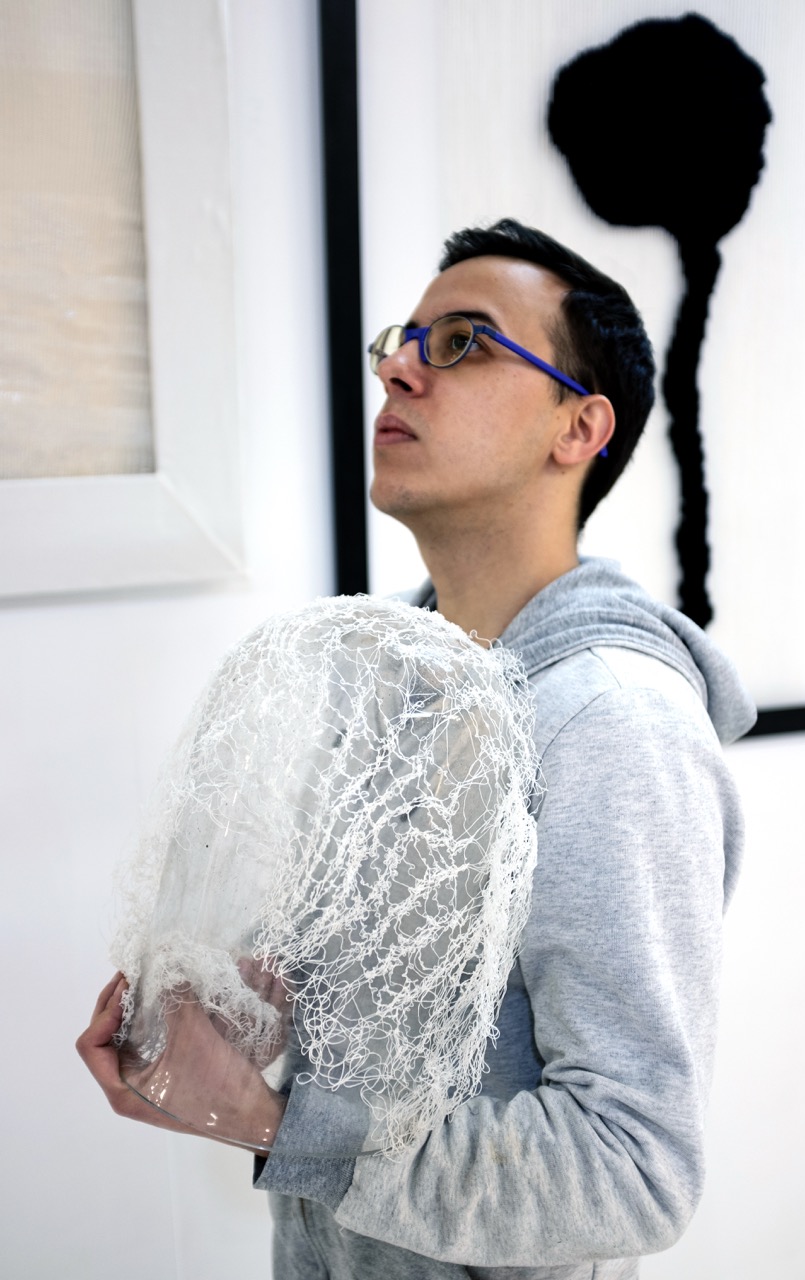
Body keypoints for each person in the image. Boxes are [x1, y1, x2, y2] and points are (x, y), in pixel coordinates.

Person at [78, 218, 755, 1278]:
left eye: (462, 343)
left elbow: (634, 1167)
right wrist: (250, 1013)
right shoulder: (383, 676)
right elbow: (388, 1015)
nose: (397, 369)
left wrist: (276, 1121)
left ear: (578, 427)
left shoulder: (610, 723)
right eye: (402, 342)